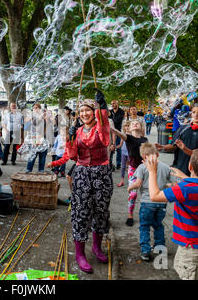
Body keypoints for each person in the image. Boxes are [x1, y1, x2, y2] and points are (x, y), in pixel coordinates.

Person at [146, 148, 198, 280]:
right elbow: (197, 185)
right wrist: (185, 177)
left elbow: (155, 195)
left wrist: (152, 172)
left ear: (190, 166)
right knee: (194, 272)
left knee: (186, 273)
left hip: (191, 245)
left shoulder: (185, 189)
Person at [66, 89, 112, 274]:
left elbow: (105, 138)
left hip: (102, 174)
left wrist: (102, 108)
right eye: (81, 110)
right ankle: (80, 254)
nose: (84, 113)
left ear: (94, 112)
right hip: (82, 175)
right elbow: (72, 156)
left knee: (101, 211)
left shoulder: (101, 127)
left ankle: (97, 247)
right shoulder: (76, 131)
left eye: (88, 110)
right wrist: (69, 139)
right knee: (81, 213)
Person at [126, 143, 177, 261]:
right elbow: (174, 185)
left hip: (147, 203)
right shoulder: (165, 167)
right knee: (158, 225)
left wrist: (130, 187)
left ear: (143, 157)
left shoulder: (142, 167)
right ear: (157, 154)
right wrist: (166, 185)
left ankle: (145, 250)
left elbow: (138, 184)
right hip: (161, 202)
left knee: (144, 226)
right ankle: (160, 249)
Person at [156, 103, 198, 177]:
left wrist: (185, 149)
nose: (196, 115)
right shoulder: (183, 128)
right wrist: (162, 147)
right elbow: (173, 146)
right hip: (180, 168)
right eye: (193, 112)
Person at [111, 119, 148, 226]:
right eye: (133, 124)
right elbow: (119, 134)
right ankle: (130, 214)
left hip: (145, 168)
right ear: (129, 128)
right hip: (133, 170)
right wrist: (111, 128)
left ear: (141, 128)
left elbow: (148, 153)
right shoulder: (128, 138)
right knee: (133, 194)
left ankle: (145, 215)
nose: (135, 124)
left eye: (137, 123)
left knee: (146, 194)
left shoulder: (145, 139)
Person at [26, 103, 48, 173]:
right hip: (33, 138)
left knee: (42, 156)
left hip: (43, 138)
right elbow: (32, 123)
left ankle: (41, 170)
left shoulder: (44, 116)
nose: (36, 109)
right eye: (34, 108)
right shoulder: (32, 116)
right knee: (32, 155)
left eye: (37, 107)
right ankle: (29, 170)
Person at [109, 100, 125, 170]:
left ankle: (118, 164)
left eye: (114, 103)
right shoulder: (110, 111)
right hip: (110, 132)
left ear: (117, 104)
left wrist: (111, 120)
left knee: (118, 148)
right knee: (110, 148)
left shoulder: (121, 111)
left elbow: (117, 120)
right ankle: (110, 163)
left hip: (118, 132)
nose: (113, 105)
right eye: (112, 104)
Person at [116, 121, 130, 187]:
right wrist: (114, 147)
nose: (127, 127)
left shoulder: (132, 135)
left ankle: (131, 181)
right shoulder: (123, 134)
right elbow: (121, 145)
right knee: (123, 167)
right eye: (125, 126)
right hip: (123, 153)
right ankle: (122, 181)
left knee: (131, 167)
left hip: (130, 153)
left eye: (128, 126)